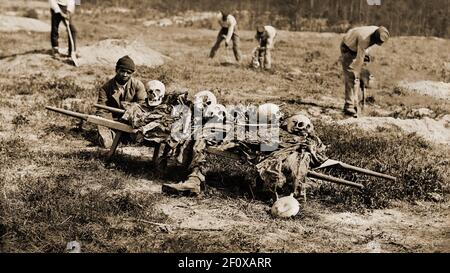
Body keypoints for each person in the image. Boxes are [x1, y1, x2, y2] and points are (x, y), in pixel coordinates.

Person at [96, 55, 147, 148]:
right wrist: (109, 124)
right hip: (113, 122)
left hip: (132, 122)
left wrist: (129, 116)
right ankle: (112, 136)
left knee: (138, 139)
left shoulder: (138, 86)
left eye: (128, 72)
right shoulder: (106, 88)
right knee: (107, 143)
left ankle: (124, 138)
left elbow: (143, 106)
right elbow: (101, 109)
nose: (125, 75)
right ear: (116, 70)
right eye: (122, 71)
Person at [340, 26, 389, 117]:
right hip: (348, 47)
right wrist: (358, 74)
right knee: (352, 76)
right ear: (375, 38)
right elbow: (359, 60)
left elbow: (366, 50)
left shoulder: (379, 31)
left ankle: (360, 103)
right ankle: (349, 106)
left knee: (363, 75)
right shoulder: (364, 39)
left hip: (359, 46)